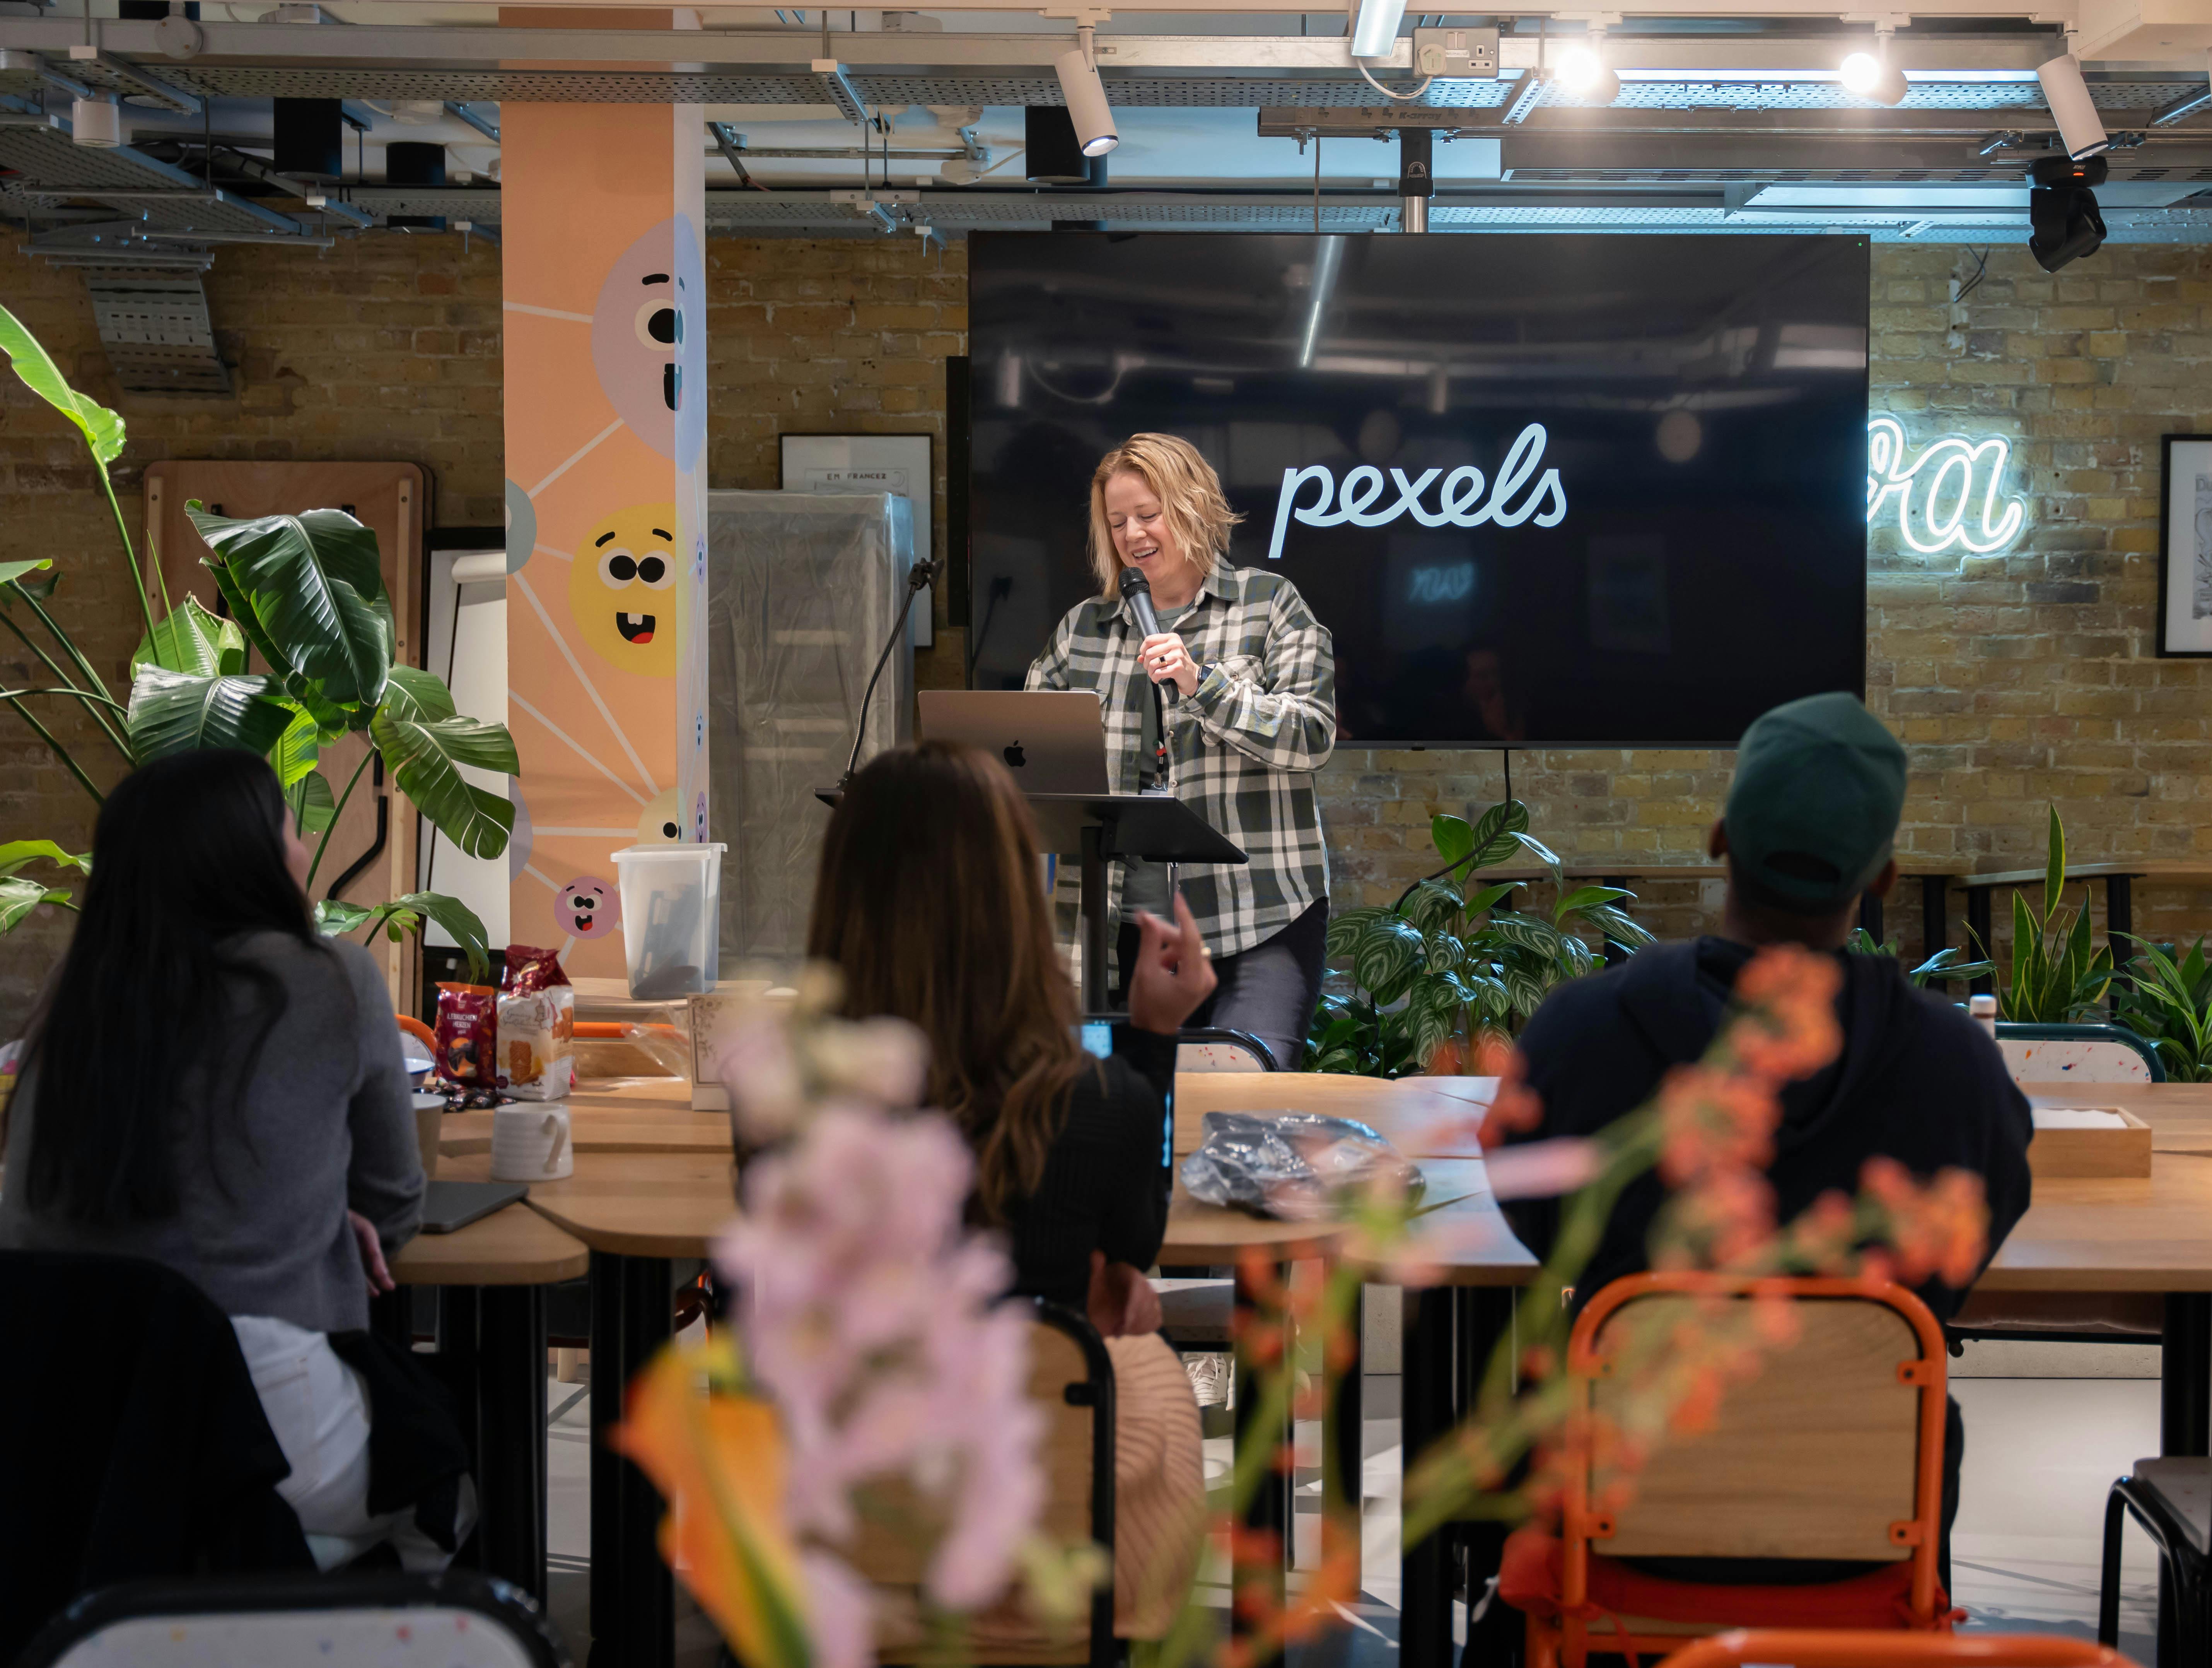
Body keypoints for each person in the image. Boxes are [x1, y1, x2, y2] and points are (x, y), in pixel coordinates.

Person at [1499, 690, 2033, 1584]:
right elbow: (1975, 1231)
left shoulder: (1583, 1028)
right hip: (1868, 1537)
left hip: (1617, 1523)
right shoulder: (1955, 1063)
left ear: (1718, 839)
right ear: (1885, 877)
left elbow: (1534, 1208)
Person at [0, 749, 468, 1572]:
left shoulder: (73, 995)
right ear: (249, 854)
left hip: (62, 1429)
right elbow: (393, 1206)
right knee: (442, 1483)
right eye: (290, 826)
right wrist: (323, 1220)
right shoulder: (333, 979)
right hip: (261, 1415)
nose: (301, 849)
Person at [807, 739, 1216, 1636]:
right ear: (1012, 894)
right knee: (1133, 1348)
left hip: (842, 1536)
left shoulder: (788, 1110)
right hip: (1040, 1533)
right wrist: (1152, 1038)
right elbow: (1135, 1251)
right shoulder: (1102, 1104)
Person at [1027, 432, 1336, 1069]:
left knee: (1242, 1098)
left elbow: (1313, 735)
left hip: (1258, 915)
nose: (1133, 534)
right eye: (1117, 522)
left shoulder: (1270, 605)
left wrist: (1205, 685)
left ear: (1192, 505)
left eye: (1148, 514)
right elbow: (1026, 751)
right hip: (1120, 930)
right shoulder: (1082, 629)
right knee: (1128, 1120)